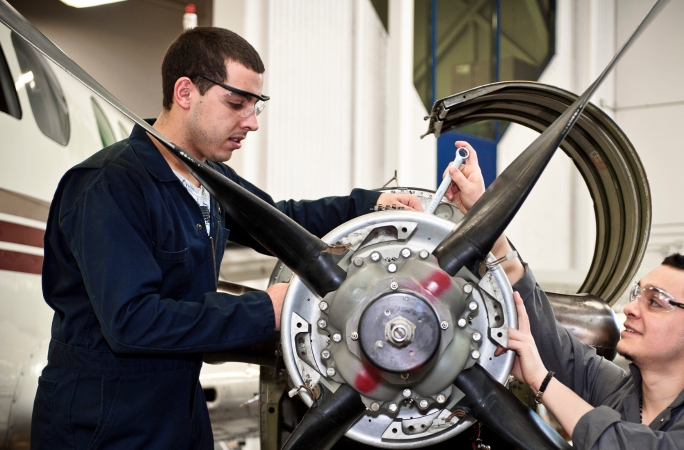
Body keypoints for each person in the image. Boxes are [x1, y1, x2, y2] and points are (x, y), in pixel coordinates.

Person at [32, 27, 419, 449]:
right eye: (236, 103)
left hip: (178, 409)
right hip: (105, 423)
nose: (251, 122)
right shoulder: (109, 185)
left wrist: (372, 205)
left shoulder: (203, 176)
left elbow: (279, 220)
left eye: (256, 107)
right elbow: (132, 321)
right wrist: (264, 311)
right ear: (185, 93)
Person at [445, 146, 684, 449]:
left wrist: (542, 382)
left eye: (655, 302)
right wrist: (485, 218)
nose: (630, 309)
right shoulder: (620, 390)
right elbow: (549, 342)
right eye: (637, 294)